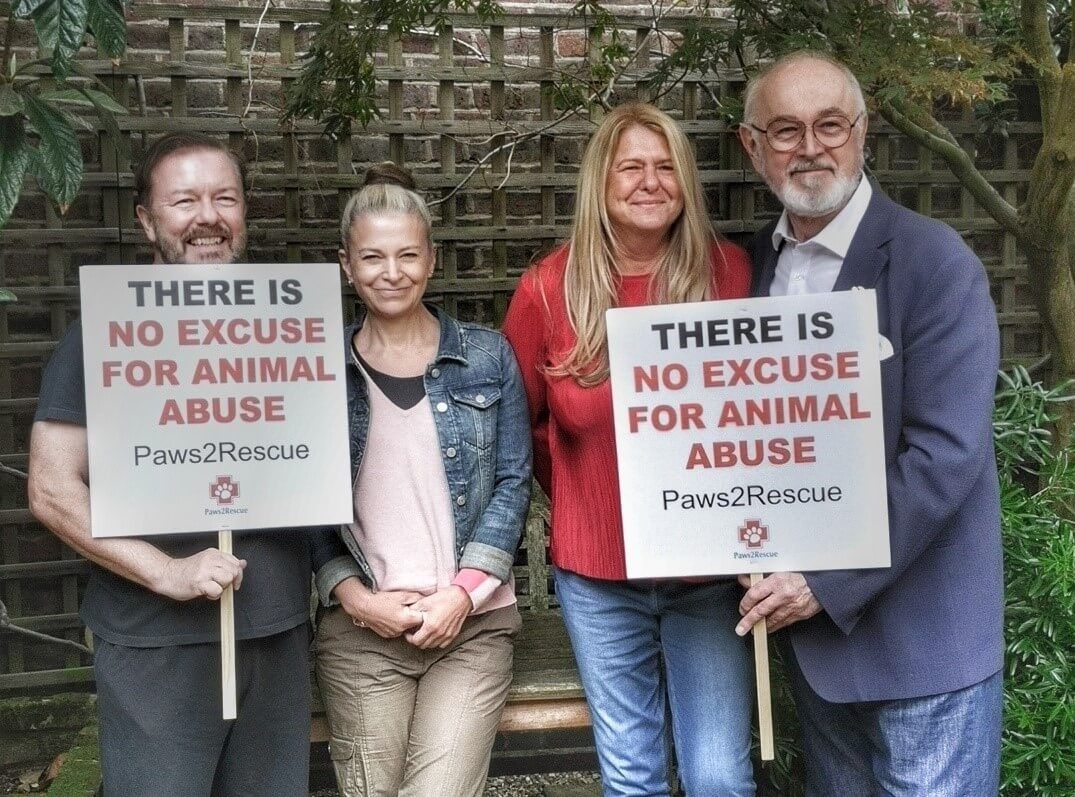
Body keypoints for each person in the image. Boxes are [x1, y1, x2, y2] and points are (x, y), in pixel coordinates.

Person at [736, 51, 1003, 796]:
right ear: (750, 146)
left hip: (924, 648)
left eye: (830, 125)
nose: (811, 147)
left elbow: (943, 456)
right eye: (785, 130)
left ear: (862, 131)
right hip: (819, 655)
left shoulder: (933, 262)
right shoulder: (751, 274)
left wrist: (821, 577)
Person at [26, 133, 313, 796]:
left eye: (224, 198)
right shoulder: (103, 331)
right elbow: (50, 488)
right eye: (184, 200)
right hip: (155, 643)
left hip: (275, 633)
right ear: (146, 221)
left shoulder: (289, 322)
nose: (207, 216)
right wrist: (168, 570)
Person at [502, 103, 755, 796]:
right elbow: (518, 431)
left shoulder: (729, 274)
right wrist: (588, 497)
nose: (650, 181)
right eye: (631, 167)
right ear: (601, 182)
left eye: (666, 164)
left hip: (705, 573)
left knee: (719, 777)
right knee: (633, 777)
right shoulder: (547, 288)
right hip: (596, 573)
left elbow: (764, 420)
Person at [308, 165, 531, 797]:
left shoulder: (487, 357)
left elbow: (514, 483)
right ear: (346, 265)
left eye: (408, 254)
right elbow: (305, 505)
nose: (392, 271)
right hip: (363, 629)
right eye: (372, 256)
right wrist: (353, 598)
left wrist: (461, 595)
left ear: (430, 261)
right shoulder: (318, 369)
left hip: (472, 626)